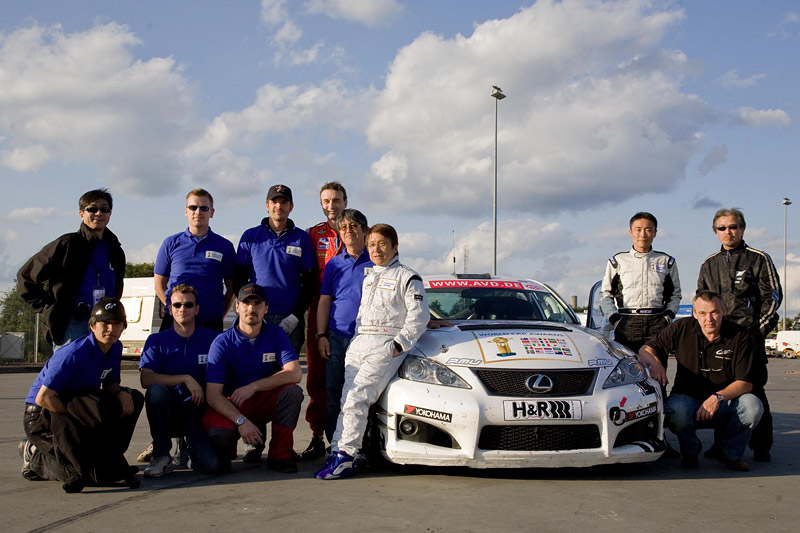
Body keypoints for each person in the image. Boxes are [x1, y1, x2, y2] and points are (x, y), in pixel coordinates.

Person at [316, 224, 430, 480]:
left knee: (358, 398)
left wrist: (398, 345)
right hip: (360, 342)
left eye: (382, 244)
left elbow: (419, 317)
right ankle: (338, 452)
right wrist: (357, 340)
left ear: (394, 247)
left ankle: (346, 455)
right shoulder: (369, 277)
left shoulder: (408, 277)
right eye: (371, 245)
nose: (376, 249)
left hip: (385, 343)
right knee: (347, 399)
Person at [19, 298, 143, 493]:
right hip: (44, 415)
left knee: (134, 398)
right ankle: (34, 455)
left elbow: (110, 384)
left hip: (77, 408)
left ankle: (109, 457)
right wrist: (78, 422)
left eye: (117, 323)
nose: (111, 329)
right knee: (82, 475)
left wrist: (122, 392)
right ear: (92, 326)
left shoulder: (115, 348)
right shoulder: (74, 353)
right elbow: (44, 398)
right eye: (105, 323)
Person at [234, 184, 316, 463]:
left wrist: (296, 314)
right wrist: (247, 311)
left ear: (291, 207)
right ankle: (254, 443)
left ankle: (282, 446)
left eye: (284, 202)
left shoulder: (301, 238)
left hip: (290, 320)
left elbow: (309, 282)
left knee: (285, 382)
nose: (279, 206)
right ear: (267, 205)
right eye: (274, 201)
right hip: (258, 317)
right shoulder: (251, 237)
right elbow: (239, 277)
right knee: (254, 376)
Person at [638, 291, 763, 472]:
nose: (709, 319)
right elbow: (645, 350)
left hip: (724, 402)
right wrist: (656, 364)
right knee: (676, 410)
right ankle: (691, 451)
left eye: (714, 312)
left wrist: (717, 397)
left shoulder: (740, 336)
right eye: (703, 313)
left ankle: (729, 454)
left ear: (723, 311)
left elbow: (745, 383)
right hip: (688, 400)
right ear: (695, 314)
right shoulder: (681, 328)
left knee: (753, 406)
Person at [697, 207, 781, 462]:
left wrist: (757, 331)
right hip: (719, 338)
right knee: (722, 390)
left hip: (749, 337)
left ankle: (762, 446)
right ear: (715, 232)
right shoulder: (709, 264)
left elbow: (773, 297)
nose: (728, 232)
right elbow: (702, 301)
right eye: (722, 228)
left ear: (742, 229)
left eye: (733, 227)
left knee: (754, 390)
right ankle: (721, 445)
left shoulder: (758, 258)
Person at [202, 283, 304, 474]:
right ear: (237, 307)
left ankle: (280, 455)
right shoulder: (222, 342)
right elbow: (213, 395)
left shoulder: (276, 334)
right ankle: (227, 452)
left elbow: (295, 373)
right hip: (233, 405)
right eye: (246, 303)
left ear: (266, 308)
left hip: (262, 401)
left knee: (292, 392)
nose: (251, 308)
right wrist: (241, 421)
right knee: (217, 453)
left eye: (257, 303)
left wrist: (254, 386)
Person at [17, 188, 125, 347]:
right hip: (73, 324)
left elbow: (118, 286)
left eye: (104, 209)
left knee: (100, 364)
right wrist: (50, 307)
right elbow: (26, 277)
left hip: (104, 324)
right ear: (81, 214)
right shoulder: (67, 244)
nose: (99, 213)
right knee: (71, 364)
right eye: (92, 209)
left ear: (110, 213)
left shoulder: (115, 250)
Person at [139, 284, 221, 477]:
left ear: (197, 309)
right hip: (168, 412)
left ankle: (186, 450)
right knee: (156, 391)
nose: (182, 309)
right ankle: (161, 455)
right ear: (170, 309)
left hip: (196, 411)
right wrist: (185, 379)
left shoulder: (213, 339)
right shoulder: (156, 341)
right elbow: (146, 379)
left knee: (211, 466)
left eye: (188, 305)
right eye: (177, 305)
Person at [316, 209, 373, 445]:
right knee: (335, 393)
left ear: (365, 231)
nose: (349, 231)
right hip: (337, 338)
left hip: (368, 339)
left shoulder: (378, 261)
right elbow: (325, 301)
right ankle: (335, 445)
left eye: (354, 226)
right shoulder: (334, 264)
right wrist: (321, 335)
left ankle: (364, 446)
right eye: (344, 227)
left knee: (365, 395)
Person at [303, 181, 348, 460]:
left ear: (346, 202)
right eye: (326, 201)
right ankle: (317, 435)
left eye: (336, 200)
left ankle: (349, 436)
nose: (332, 206)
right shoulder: (313, 234)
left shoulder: (360, 230)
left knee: (350, 377)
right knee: (317, 376)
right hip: (318, 308)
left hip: (349, 311)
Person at [600, 212, 682, 355]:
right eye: (638, 230)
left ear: (655, 233)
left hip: (657, 323)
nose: (642, 234)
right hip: (627, 323)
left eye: (648, 229)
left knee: (657, 366)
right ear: (630, 232)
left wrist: (668, 317)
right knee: (627, 366)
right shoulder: (618, 261)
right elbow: (605, 294)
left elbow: (675, 294)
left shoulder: (666, 261)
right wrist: (615, 319)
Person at [154, 189, 235, 332]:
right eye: (193, 207)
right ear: (186, 211)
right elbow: (159, 284)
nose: (198, 212)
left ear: (211, 212)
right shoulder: (170, 243)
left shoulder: (225, 246)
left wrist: (220, 315)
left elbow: (232, 288)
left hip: (210, 321)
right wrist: (175, 308)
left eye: (204, 208)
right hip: (175, 321)